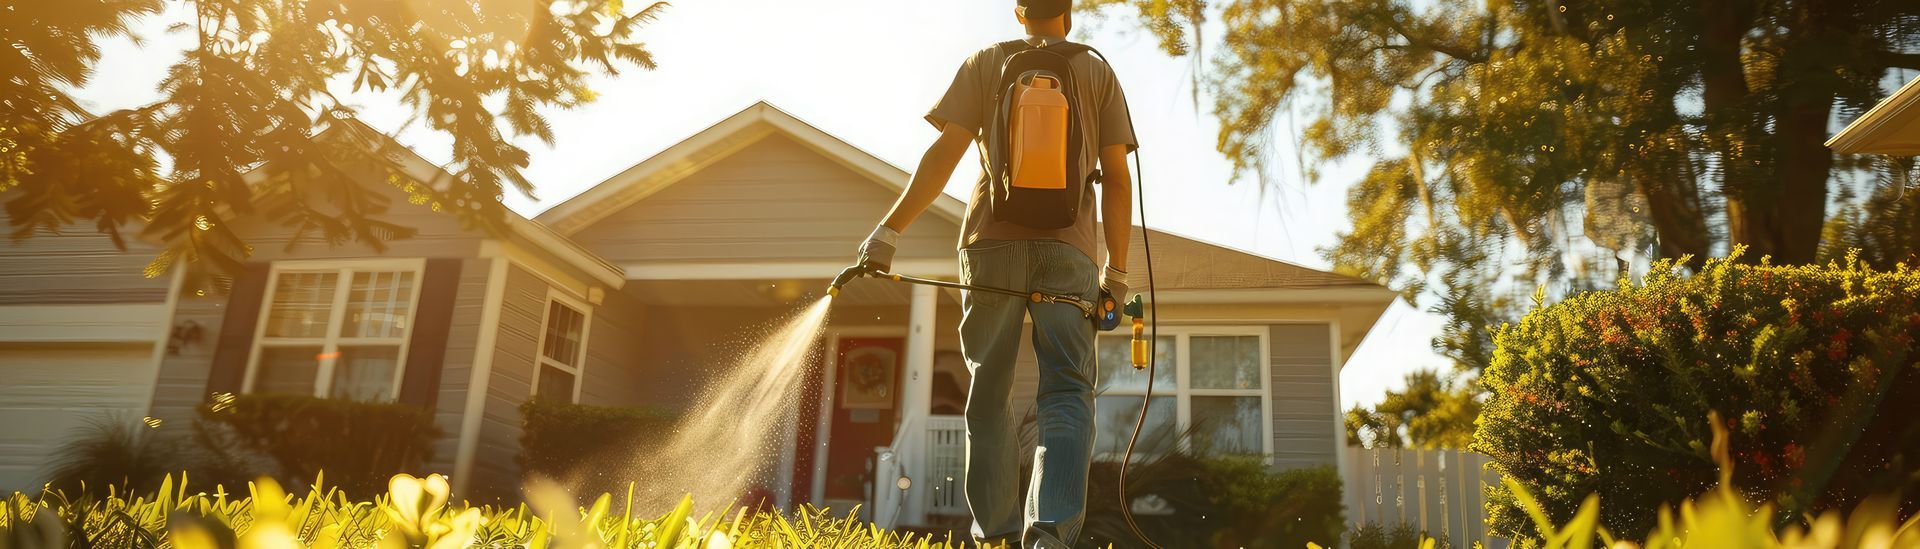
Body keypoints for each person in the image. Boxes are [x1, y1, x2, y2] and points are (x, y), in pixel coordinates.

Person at [848, 1, 1135, 546]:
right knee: (1068, 393)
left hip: (989, 249)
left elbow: (945, 153)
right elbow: (1118, 180)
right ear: (1068, 16)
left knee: (989, 391)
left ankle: (995, 536)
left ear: (1020, 12)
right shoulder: (1097, 71)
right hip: (1069, 256)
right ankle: (1048, 534)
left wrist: (887, 233)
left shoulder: (986, 61)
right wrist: (1115, 277)